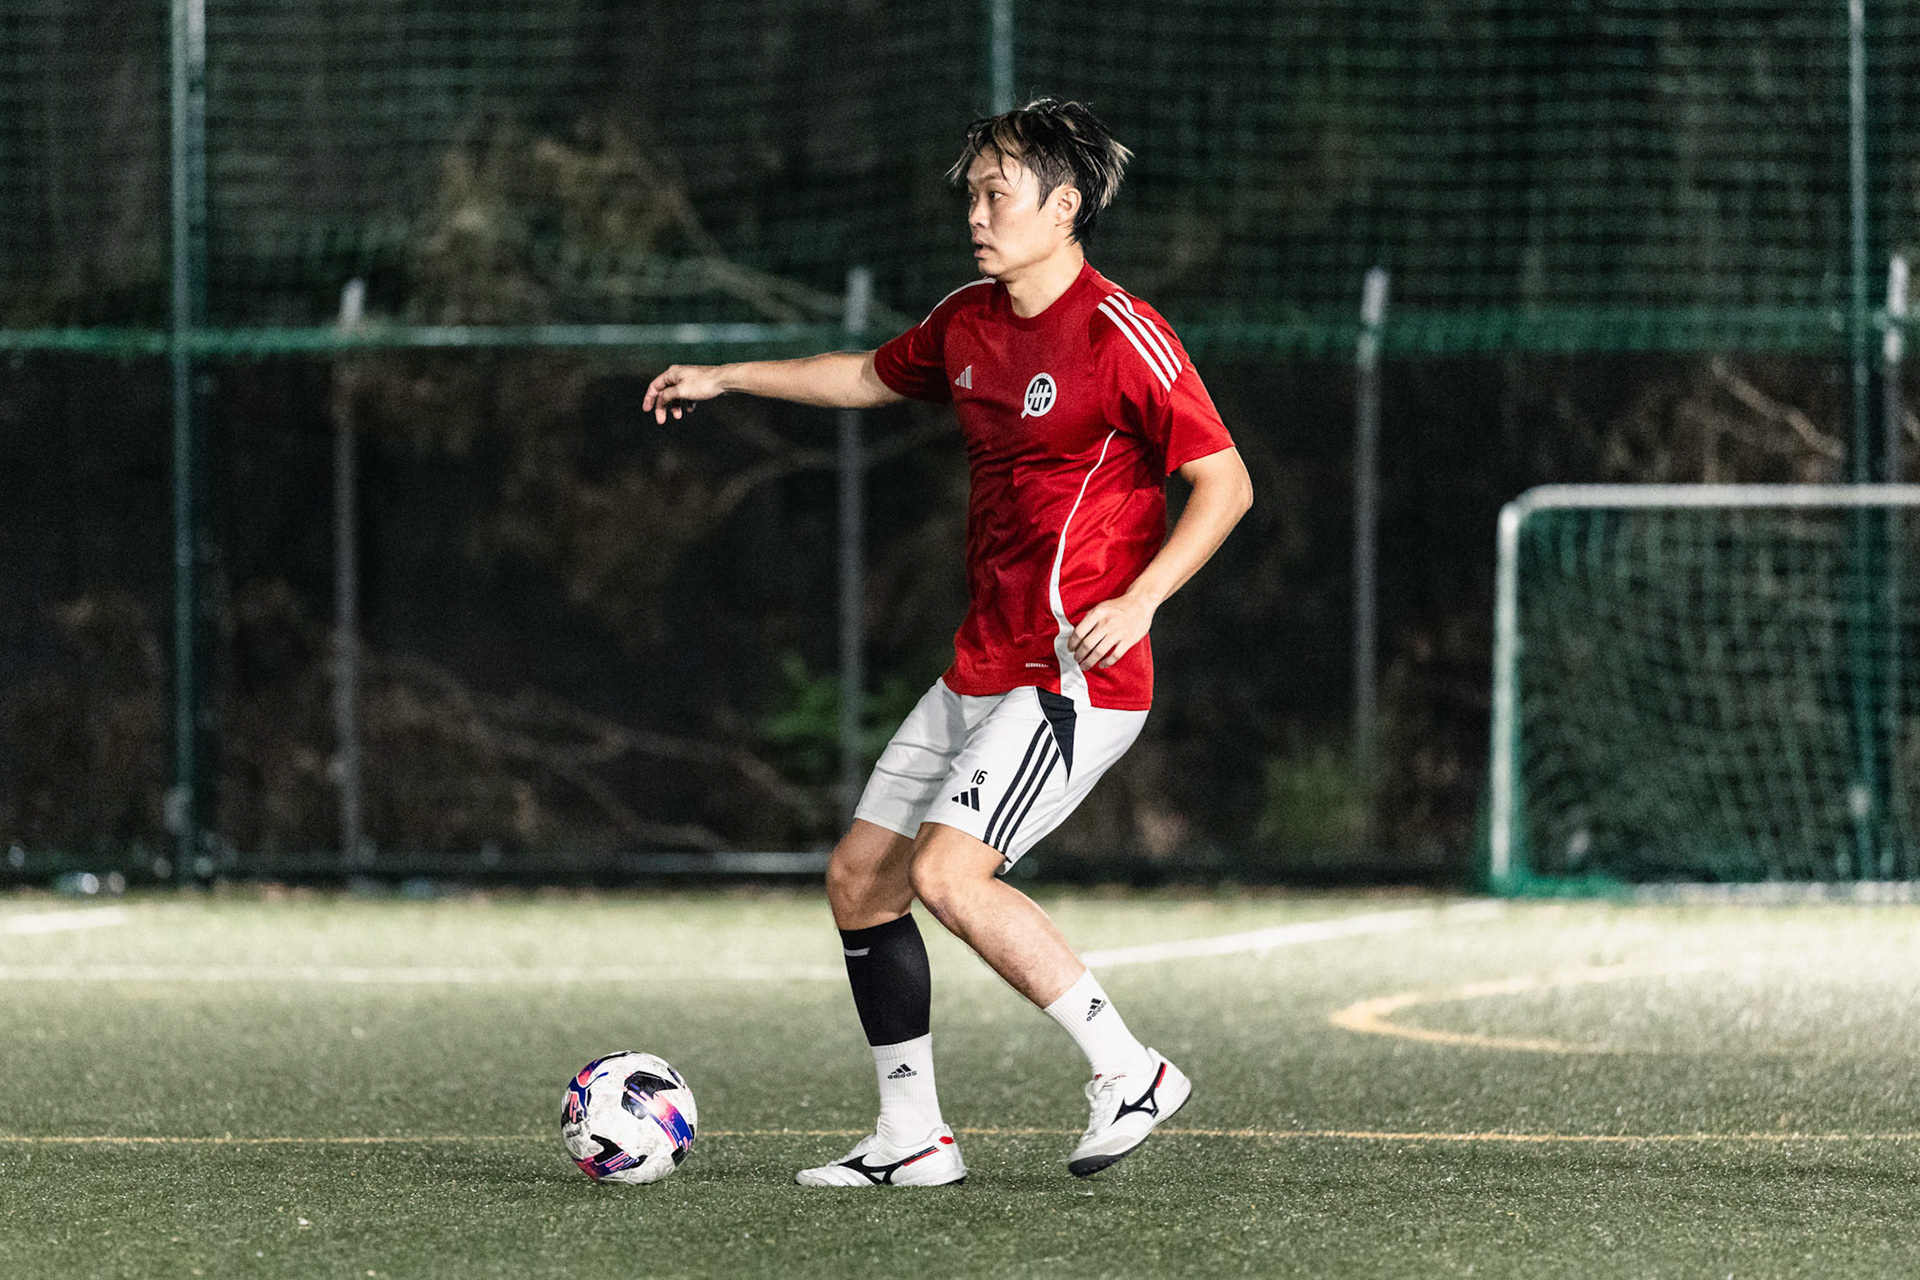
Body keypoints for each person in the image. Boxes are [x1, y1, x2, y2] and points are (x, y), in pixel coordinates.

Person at [643, 98, 1253, 1186]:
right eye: (972, 190)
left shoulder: (1123, 335)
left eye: (997, 191)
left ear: (1065, 208)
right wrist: (729, 376)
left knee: (947, 871)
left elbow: (1226, 481)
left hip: (1076, 675)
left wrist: (1148, 596)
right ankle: (913, 1135)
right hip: (981, 664)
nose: (976, 210)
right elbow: (869, 376)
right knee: (859, 879)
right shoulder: (969, 320)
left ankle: (1132, 1069)